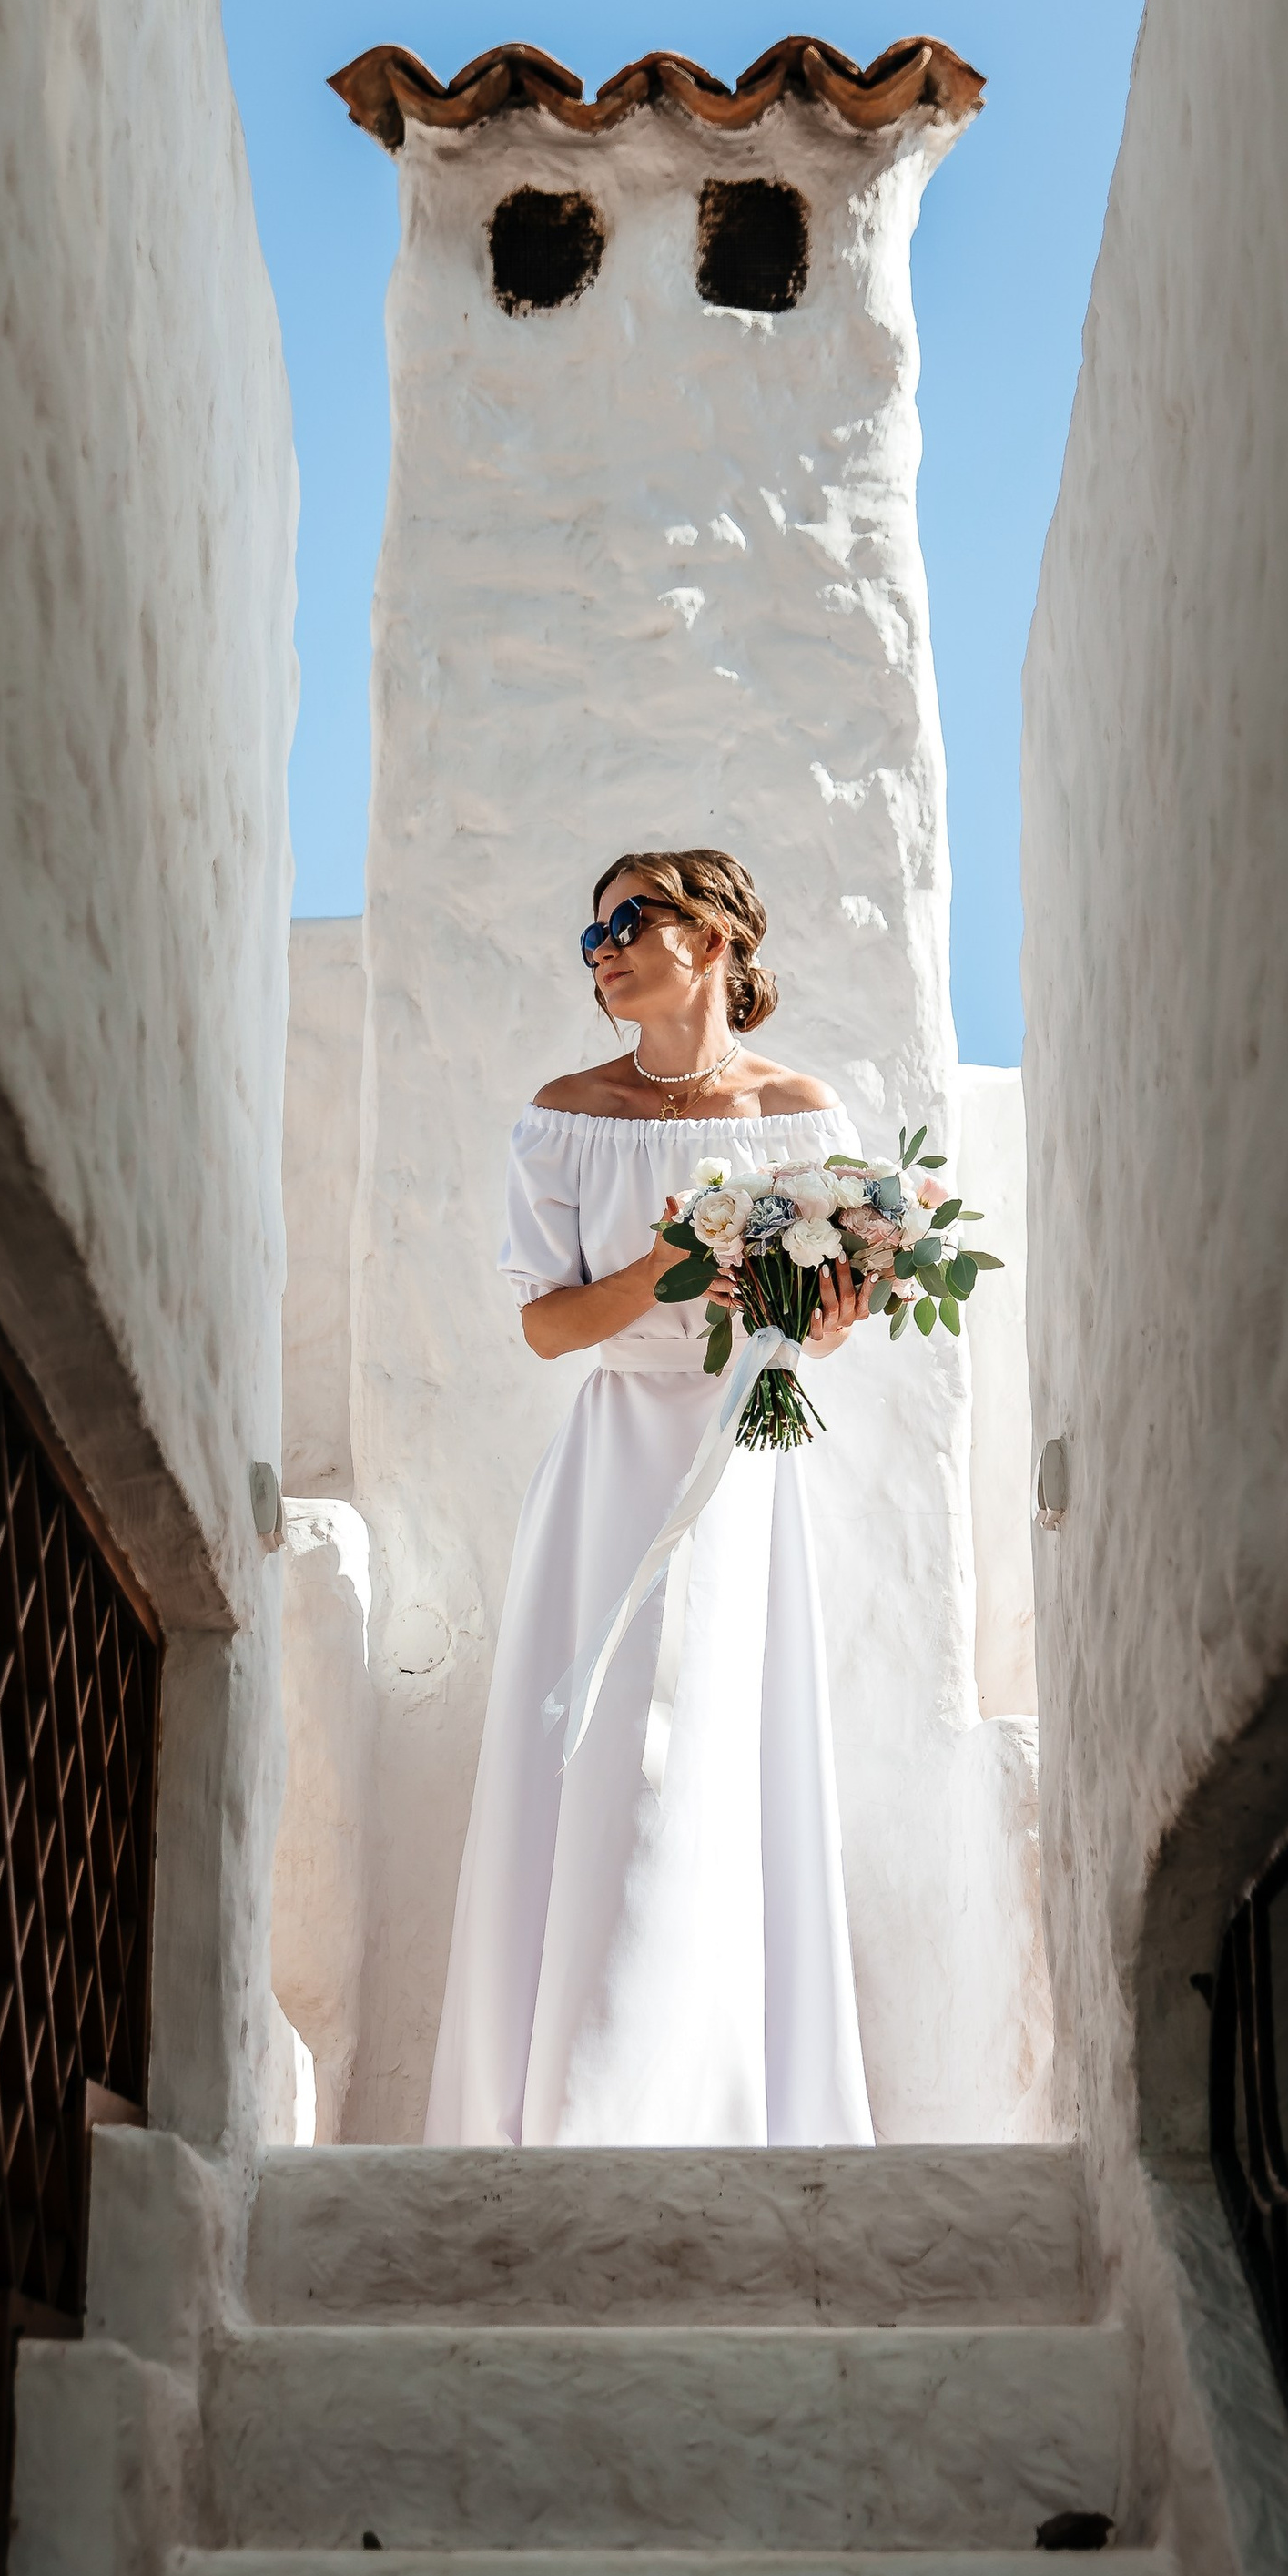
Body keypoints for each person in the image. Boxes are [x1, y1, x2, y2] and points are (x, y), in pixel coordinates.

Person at [423, 848, 876, 2148]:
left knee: (722, 1760)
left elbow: (819, 1317)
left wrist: (829, 1316)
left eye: (629, 920)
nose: (604, 949)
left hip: (746, 1462)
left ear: (713, 936)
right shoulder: (568, 1113)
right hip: (614, 1466)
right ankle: (577, 2098)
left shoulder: (800, 1112)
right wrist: (665, 1267)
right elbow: (547, 1326)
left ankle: (725, 2102)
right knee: (611, 1755)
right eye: (592, 936)